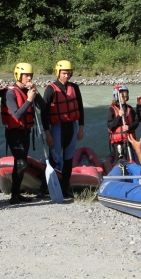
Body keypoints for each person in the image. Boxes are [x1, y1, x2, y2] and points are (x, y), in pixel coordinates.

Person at [0, 63, 46, 204]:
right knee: (21, 163)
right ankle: (14, 195)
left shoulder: (28, 90)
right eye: (26, 75)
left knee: (21, 164)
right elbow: (17, 115)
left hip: (25, 132)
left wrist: (35, 93)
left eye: (30, 75)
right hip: (14, 133)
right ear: (18, 76)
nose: (29, 78)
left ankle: (16, 195)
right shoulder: (9, 93)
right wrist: (29, 99)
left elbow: (43, 107)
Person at [41, 60, 84, 198]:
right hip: (57, 127)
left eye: (69, 73)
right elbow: (44, 112)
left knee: (68, 160)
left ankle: (65, 188)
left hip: (72, 126)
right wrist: (47, 133)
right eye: (64, 73)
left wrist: (81, 127)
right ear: (58, 73)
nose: (67, 75)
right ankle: (43, 188)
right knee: (54, 159)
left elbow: (81, 108)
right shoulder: (50, 89)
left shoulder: (74, 88)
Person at [107, 85, 139, 161]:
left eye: (126, 96)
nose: (124, 98)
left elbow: (136, 122)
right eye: (122, 96)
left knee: (131, 160)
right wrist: (119, 116)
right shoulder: (111, 109)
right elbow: (110, 126)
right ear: (117, 96)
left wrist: (129, 127)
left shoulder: (129, 109)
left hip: (129, 140)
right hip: (118, 142)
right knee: (120, 161)